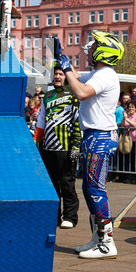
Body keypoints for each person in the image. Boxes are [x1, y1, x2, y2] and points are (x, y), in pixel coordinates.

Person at [55, 29, 124, 259]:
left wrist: (65, 66)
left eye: (95, 46)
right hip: (94, 136)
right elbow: (75, 77)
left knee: (96, 189)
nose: (90, 49)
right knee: (88, 188)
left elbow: (81, 92)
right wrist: (62, 58)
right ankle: (98, 238)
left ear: (103, 52)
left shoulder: (105, 75)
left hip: (100, 136)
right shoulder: (100, 74)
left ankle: (107, 243)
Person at [33, 65, 81, 228]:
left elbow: (77, 122)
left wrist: (76, 146)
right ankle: (54, 217)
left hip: (66, 148)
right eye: (56, 74)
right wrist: (35, 142)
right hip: (48, 148)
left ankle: (70, 217)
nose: (58, 77)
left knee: (67, 184)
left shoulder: (73, 95)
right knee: (51, 185)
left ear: (66, 77)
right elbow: (41, 123)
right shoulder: (47, 95)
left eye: (61, 74)